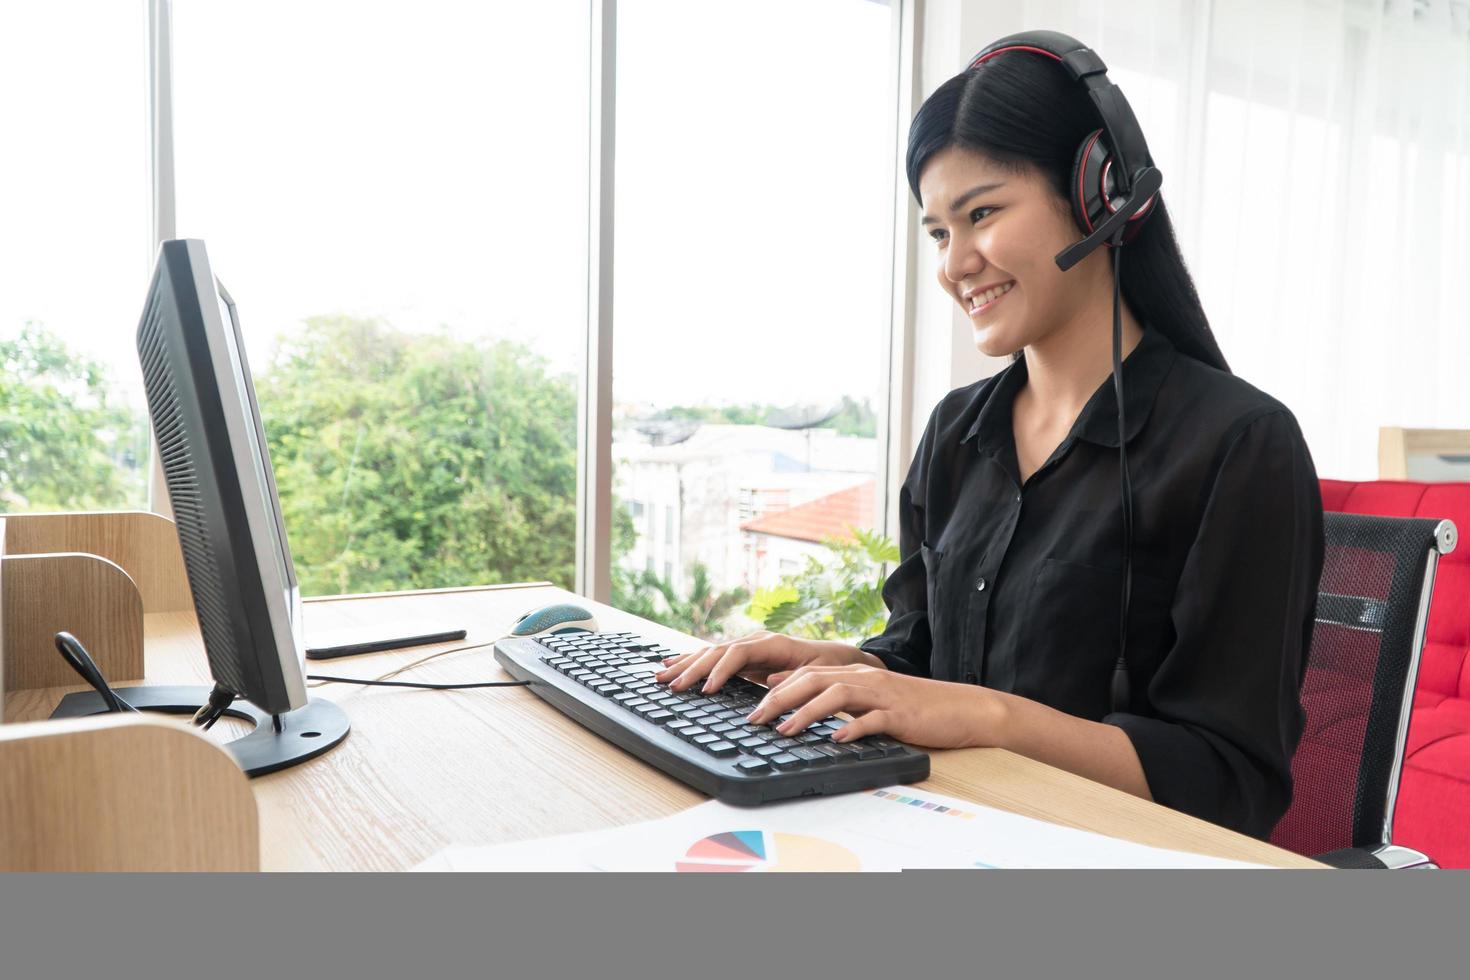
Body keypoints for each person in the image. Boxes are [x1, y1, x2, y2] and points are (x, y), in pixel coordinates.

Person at [655, 38, 1324, 840]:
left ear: (1100, 195)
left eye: (982, 214)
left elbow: (1231, 783)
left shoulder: (1241, 445)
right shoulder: (957, 433)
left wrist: (990, 716)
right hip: (934, 830)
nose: (955, 263)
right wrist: (836, 666)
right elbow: (921, 659)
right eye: (938, 232)